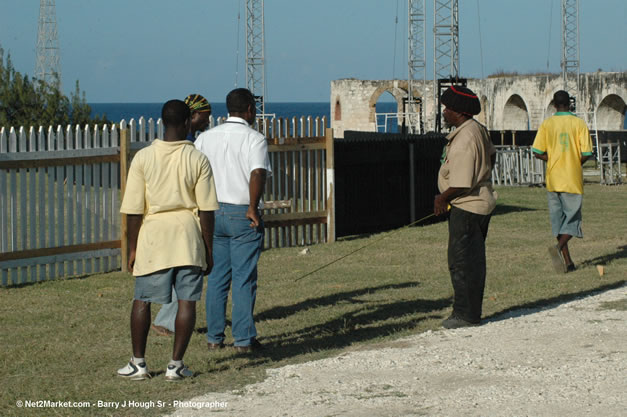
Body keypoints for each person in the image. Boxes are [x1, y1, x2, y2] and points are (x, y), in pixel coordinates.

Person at [117, 99, 218, 380]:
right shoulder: (198, 159)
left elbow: (134, 210)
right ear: (188, 123)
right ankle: (176, 365)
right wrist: (208, 248)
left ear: (163, 123)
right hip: (188, 236)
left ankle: (138, 363)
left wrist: (134, 247)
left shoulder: (144, 158)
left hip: (154, 237)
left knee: (142, 300)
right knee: (187, 301)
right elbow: (207, 209)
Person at [194, 88, 272, 352]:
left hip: (212, 211)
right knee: (244, 277)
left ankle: (214, 337)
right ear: (249, 109)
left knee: (216, 277)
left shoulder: (205, 138)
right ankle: (243, 338)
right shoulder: (255, 139)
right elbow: (257, 172)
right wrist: (252, 206)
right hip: (242, 212)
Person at [434, 85, 497, 329]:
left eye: (447, 108)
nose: (445, 112)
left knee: (462, 261)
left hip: (467, 207)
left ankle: (465, 314)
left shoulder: (465, 138)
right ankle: (469, 311)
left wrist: (442, 198)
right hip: (478, 202)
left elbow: (461, 183)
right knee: (472, 259)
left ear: (459, 111)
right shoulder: (477, 129)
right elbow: (492, 156)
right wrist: (483, 172)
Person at [151, 93, 213, 337]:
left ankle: (167, 318)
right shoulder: (188, 145)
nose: (208, 122)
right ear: (193, 117)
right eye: (205, 117)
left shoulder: (188, 141)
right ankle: (166, 320)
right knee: (186, 270)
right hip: (187, 217)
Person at [532, 90, 593, 273]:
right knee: (573, 220)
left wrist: (550, 159)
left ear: (554, 104)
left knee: (558, 222)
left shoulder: (547, 124)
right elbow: (587, 153)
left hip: (553, 178)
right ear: (570, 104)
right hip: (571, 179)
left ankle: (568, 262)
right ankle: (558, 249)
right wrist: (574, 162)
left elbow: (536, 151)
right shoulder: (579, 123)